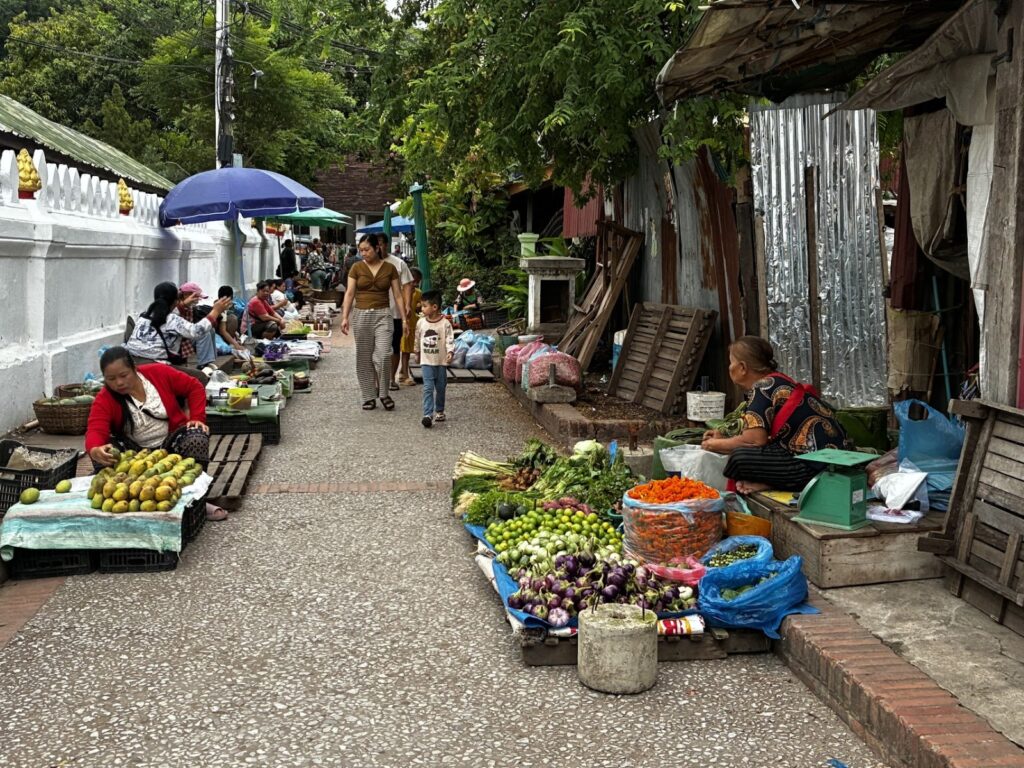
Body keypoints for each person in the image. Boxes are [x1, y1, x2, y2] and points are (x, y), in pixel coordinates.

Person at [85, 346, 228, 521]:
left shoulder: (157, 373)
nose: (119, 383)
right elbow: (95, 429)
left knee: (197, 436)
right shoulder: (105, 397)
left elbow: (194, 387)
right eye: (111, 379)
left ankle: (196, 500)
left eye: (124, 376)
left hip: (172, 444)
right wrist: (95, 449)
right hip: (134, 454)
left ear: (134, 368)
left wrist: (197, 418)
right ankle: (123, 500)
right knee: (103, 451)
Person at [700, 336, 850, 493]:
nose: (729, 368)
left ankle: (778, 484)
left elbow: (753, 442)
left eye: (731, 362)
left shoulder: (762, 388)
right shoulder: (777, 381)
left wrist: (712, 445)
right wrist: (724, 440)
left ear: (743, 368)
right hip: (833, 457)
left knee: (739, 458)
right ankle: (771, 482)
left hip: (815, 464)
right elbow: (758, 435)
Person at [341, 233, 408, 411]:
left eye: (367, 249)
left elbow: (398, 295)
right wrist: (345, 316)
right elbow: (349, 293)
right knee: (364, 357)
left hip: (383, 314)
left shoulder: (390, 268)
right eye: (361, 250)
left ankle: (384, 392)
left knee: (384, 354)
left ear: (377, 248)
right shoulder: (356, 268)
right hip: (361, 314)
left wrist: (404, 318)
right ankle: (368, 395)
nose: (363, 253)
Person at [126, 282, 232, 383]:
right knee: (199, 378)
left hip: (133, 362)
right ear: (175, 301)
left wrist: (183, 304)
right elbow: (197, 331)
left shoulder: (144, 316)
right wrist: (215, 311)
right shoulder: (171, 319)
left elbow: (171, 312)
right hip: (156, 365)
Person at [379, 232, 415, 391]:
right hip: (375, 312)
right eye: (376, 244)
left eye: (381, 243)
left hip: (395, 312)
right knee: (378, 348)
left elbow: (408, 285)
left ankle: (391, 378)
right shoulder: (368, 264)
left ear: (386, 244)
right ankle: (379, 379)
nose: (378, 247)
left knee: (394, 346)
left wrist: (407, 305)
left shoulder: (399, 263)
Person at [415, 289, 454, 428]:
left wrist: (450, 352)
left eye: (424, 306)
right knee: (427, 387)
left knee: (441, 387)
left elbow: (450, 338)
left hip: (441, 361)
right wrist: (417, 352)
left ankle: (440, 410)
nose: (422, 308)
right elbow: (418, 337)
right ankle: (427, 414)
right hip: (426, 361)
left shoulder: (445, 324)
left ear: (435, 307)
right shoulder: (421, 323)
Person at [176, 282, 219, 368]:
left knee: (210, 330)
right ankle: (203, 364)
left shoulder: (190, 308)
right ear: (186, 295)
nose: (198, 300)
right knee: (203, 333)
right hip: (177, 338)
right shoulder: (177, 306)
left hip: (186, 334)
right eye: (196, 297)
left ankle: (209, 361)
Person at [398, 268, 423, 386]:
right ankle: (404, 376)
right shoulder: (400, 292)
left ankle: (403, 371)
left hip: (413, 324)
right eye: (413, 281)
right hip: (403, 324)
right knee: (405, 351)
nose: (415, 284)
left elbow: (420, 306)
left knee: (408, 350)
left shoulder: (418, 293)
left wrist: (419, 306)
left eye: (417, 282)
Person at [213, 285, 247, 356]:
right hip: (216, 335)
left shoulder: (218, 304)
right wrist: (236, 345)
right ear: (229, 298)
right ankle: (228, 343)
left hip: (216, 333)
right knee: (232, 318)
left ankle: (230, 342)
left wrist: (236, 338)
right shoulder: (221, 308)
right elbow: (223, 331)